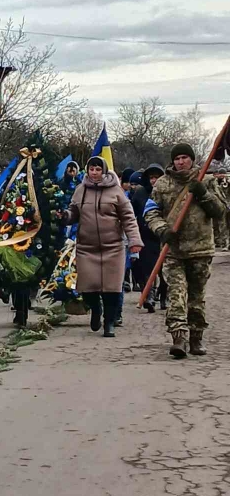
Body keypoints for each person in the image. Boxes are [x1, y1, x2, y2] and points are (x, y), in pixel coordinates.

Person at [145, 143, 225, 358]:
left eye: (184, 158)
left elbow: (220, 211)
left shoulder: (206, 181)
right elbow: (150, 212)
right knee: (176, 294)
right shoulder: (162, 183)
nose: (181, 162)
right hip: (173, 251)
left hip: (200, 250)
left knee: (196, 297)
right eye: (177, 158)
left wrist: (204, 195)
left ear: (192, 159)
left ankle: (196, 337)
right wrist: (162, 230)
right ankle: (179, 336)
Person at [63, 156, 142, 338]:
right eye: (92, 169)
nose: (95, 172)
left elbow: (128, 218)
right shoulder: (80, 190)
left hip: (113, 247)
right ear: (88, 170)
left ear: (104, 171)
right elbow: (73, 212)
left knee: (111, 288)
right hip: (86, 247)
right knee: (88, 287)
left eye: (98, 169)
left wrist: (134, 241)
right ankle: (96, 310)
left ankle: (109, 323)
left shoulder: (116, 191)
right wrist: (64, 216)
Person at [131, 164, 165, 311]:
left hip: (164, 235)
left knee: (164, 269)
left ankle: (164, 296)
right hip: (146, 235)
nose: (154, 181)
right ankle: (149, 296)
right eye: (151, 177)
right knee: (147, 267)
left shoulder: (166, 192)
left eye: (157, 177)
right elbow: (132, 213)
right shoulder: (140, 193)